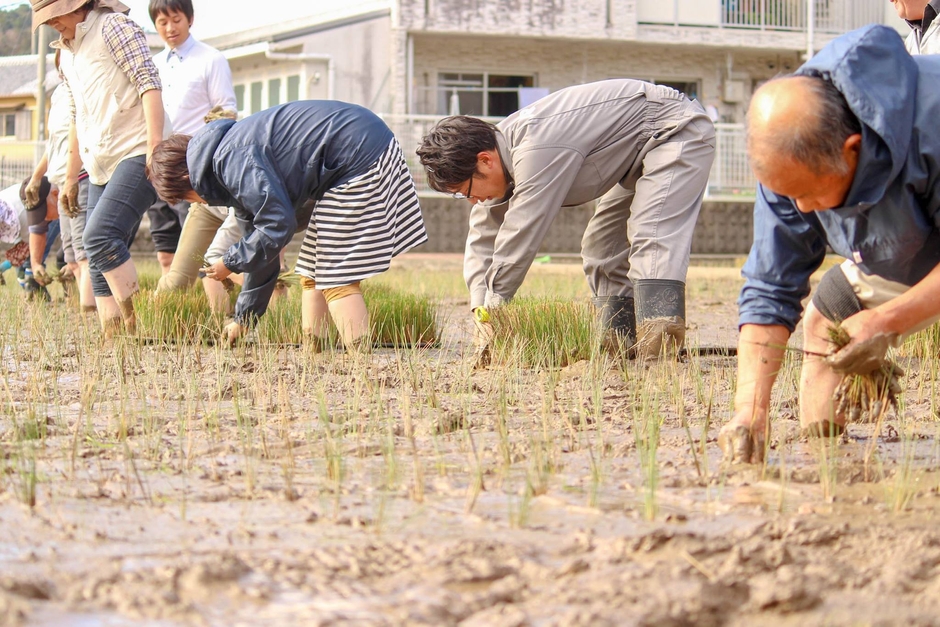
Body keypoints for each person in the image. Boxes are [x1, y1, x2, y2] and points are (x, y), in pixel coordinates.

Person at [718, 24, 940, 464]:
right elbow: (770, 288)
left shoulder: (931, 121)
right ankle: (827, 463)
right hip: (904, 248)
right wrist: (750, 409)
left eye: (810, 193)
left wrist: (888, 320)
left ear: (852, 149)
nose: (800, 207)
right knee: (827, 321)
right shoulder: (789, 159)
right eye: (787, 194)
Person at [416, 79, 715, 364]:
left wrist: (496, 306)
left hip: (674, 130)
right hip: (636, 155)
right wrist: (481, 310)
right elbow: (483, 238)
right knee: (602, 247)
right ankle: (618, 346)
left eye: (465, 191)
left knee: (651, 232)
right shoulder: (497, 150)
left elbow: (521, 233)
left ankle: (658, 352)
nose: (471, 201)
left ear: (485, 160)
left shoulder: (536, 148)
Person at [147, 100, 428, 347]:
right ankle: (315, 353)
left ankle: (363, 371)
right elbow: (264, 250)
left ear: (186, 178)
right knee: (312, 269)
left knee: (336, 277)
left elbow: (276, 224)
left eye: (187, 197)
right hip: (355, 155)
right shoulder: (226, 166)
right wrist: (244, 320)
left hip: (359, 157)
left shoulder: (232, 160)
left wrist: (230, 262)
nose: (197, 203)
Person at [31, 0, 169, 335]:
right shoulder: (68, 54)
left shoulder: (113, 27)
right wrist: (69, 178)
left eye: (54, 15)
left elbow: (148, 83)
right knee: (96, 253)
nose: (52, 24)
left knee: (99, 235)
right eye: (45, 19)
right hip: (98, 162)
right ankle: (113, 332)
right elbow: (78, 116)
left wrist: (154, 146)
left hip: (136, 149)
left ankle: (136, 321)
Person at [146, 0, 238, 285]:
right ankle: (177, 303)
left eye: (176, 19)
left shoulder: (211, 59)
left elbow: (226, 110)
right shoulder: (153, 65)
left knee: (201, 245)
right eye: (162, 22)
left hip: (194, 169)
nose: (170, 28)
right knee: (164, 246)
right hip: (161, 165)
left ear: (190, 19)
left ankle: (214, 293)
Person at [24, 51, 95, 312]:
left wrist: (71, 177)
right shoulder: (58, 94)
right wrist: (36, 176)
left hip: (81, 176)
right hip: (61, 180)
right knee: (70, 254)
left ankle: (91, 311)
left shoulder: (86, 88)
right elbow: (54, 143)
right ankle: (84, 308)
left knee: (83, 250)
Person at [0, 181, 59, 300]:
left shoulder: (22, 217)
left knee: (33, 255)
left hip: (45, 208)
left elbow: (36, 246)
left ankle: (34, 290)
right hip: (25, 209)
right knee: (22, 258)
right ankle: (33, 291)